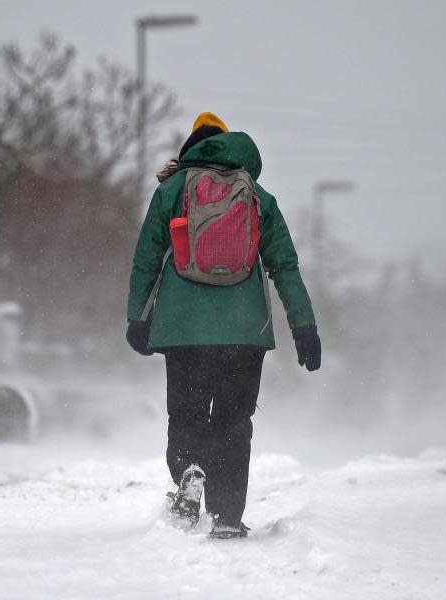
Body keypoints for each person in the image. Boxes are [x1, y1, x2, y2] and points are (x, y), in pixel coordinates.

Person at [126, 112, 321, 539]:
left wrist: (137, 317)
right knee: (234, 420)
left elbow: (146, 259)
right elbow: (284, 266)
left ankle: (190, 473)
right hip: (244, 332)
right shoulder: (258, 197)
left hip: (183, 330)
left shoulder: (173, 190)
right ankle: (228, 516)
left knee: (187, 415)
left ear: (192, 147)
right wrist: (303, 326)